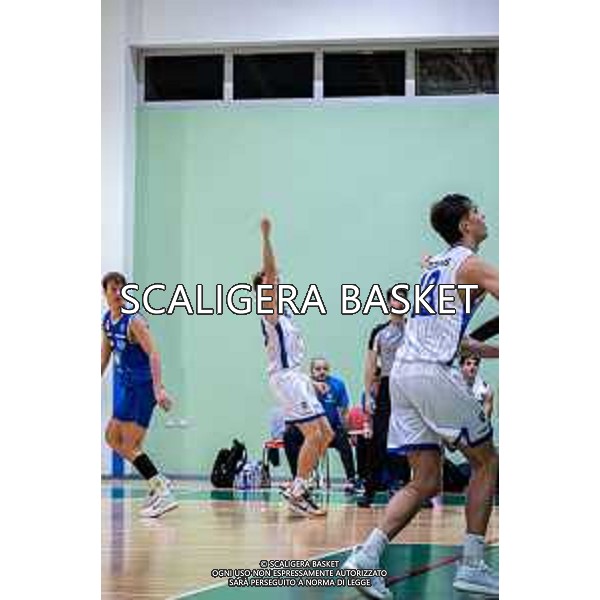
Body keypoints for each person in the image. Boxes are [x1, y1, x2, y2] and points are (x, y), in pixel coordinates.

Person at [343, 193, 500, 598]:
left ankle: (365, 557)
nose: (483, 215)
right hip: (432, 374)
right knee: (486, 461)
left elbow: (456, 341)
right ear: (465, 224)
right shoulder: (471, 264)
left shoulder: (434, 268)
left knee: (426, 480)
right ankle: (472, 565)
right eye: (476, 211)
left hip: (403, 377)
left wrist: (499, 351)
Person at [252, 217, 334, 517]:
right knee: (314, 435)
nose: (278, 281)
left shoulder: (285, 313)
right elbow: (271, 272)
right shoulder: (269, 308)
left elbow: (291, 359)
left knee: (326, 433)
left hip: (294, 378)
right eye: (273, 280)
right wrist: (266, 237)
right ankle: (298, 489)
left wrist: (311, 383)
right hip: (285, 380)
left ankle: (301, 483)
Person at [101, 271, 178, 518]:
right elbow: (103, 358)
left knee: (130, 444)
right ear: (105, 293)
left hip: (144, 388)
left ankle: (163, 492)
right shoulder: (107, 321)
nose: (117, 293)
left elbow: (154, 354)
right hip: (128, 387)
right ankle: (159, 481)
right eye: (113, 289)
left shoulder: (133, 320)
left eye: (121, 289)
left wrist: (158, 389)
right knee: (112, 437)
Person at [358, 287, 410, 507]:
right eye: (395, 299)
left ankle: (409, 488)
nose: (399, 303)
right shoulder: (379, 332)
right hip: (388, 386)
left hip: (410, 386)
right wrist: (369, 394)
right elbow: (371, 365)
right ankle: (370, 489)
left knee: (410, 437)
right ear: (388, 303)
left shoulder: (414, 329)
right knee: (380, 438)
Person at [310, 357, 358, 492]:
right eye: (318, 369)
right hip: (311, 430)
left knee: (343, 440)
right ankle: (303, 479)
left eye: (325, 369)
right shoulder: (305, 385)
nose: (322, 372)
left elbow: (344, 411)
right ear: (312, 371)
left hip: (331, 430)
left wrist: (348, 431)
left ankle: (351, 479)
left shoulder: (338, 385)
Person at [460, 351, 495, 419]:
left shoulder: (485, 390)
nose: (472, 367)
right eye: (468, 364)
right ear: (462, 366)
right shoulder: (452, 381)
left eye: (475, 364)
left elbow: (486, 419)